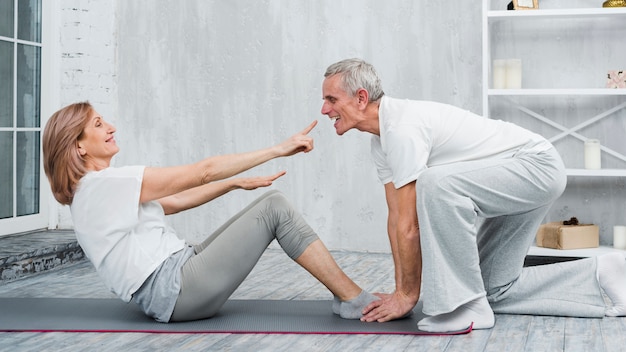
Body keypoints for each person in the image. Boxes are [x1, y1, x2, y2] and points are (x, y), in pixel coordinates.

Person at [319, 58, 626, 332]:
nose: (325, 109)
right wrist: (401, 292)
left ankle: (466, 307)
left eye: (331, 99)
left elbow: (410, 225)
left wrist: (408, 297)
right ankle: (602, 273)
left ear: (361, 98)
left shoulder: (402, 127)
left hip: (535, 166)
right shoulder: (382, 142)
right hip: (511, 179)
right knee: (492, 289)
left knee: (435, 184)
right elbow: (397, 218)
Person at [42, 101, 378, 323]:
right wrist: (279, 149)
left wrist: (234, 185)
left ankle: (348, 296)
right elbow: (203, 170)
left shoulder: (94, 191)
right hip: (175, 289)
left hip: (175, 278)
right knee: (275, 207)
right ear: (79, 146)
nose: (111, 127)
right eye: (99, 125)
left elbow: (175, 201)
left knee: (267, 204)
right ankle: (353, 299)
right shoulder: (103, 186)